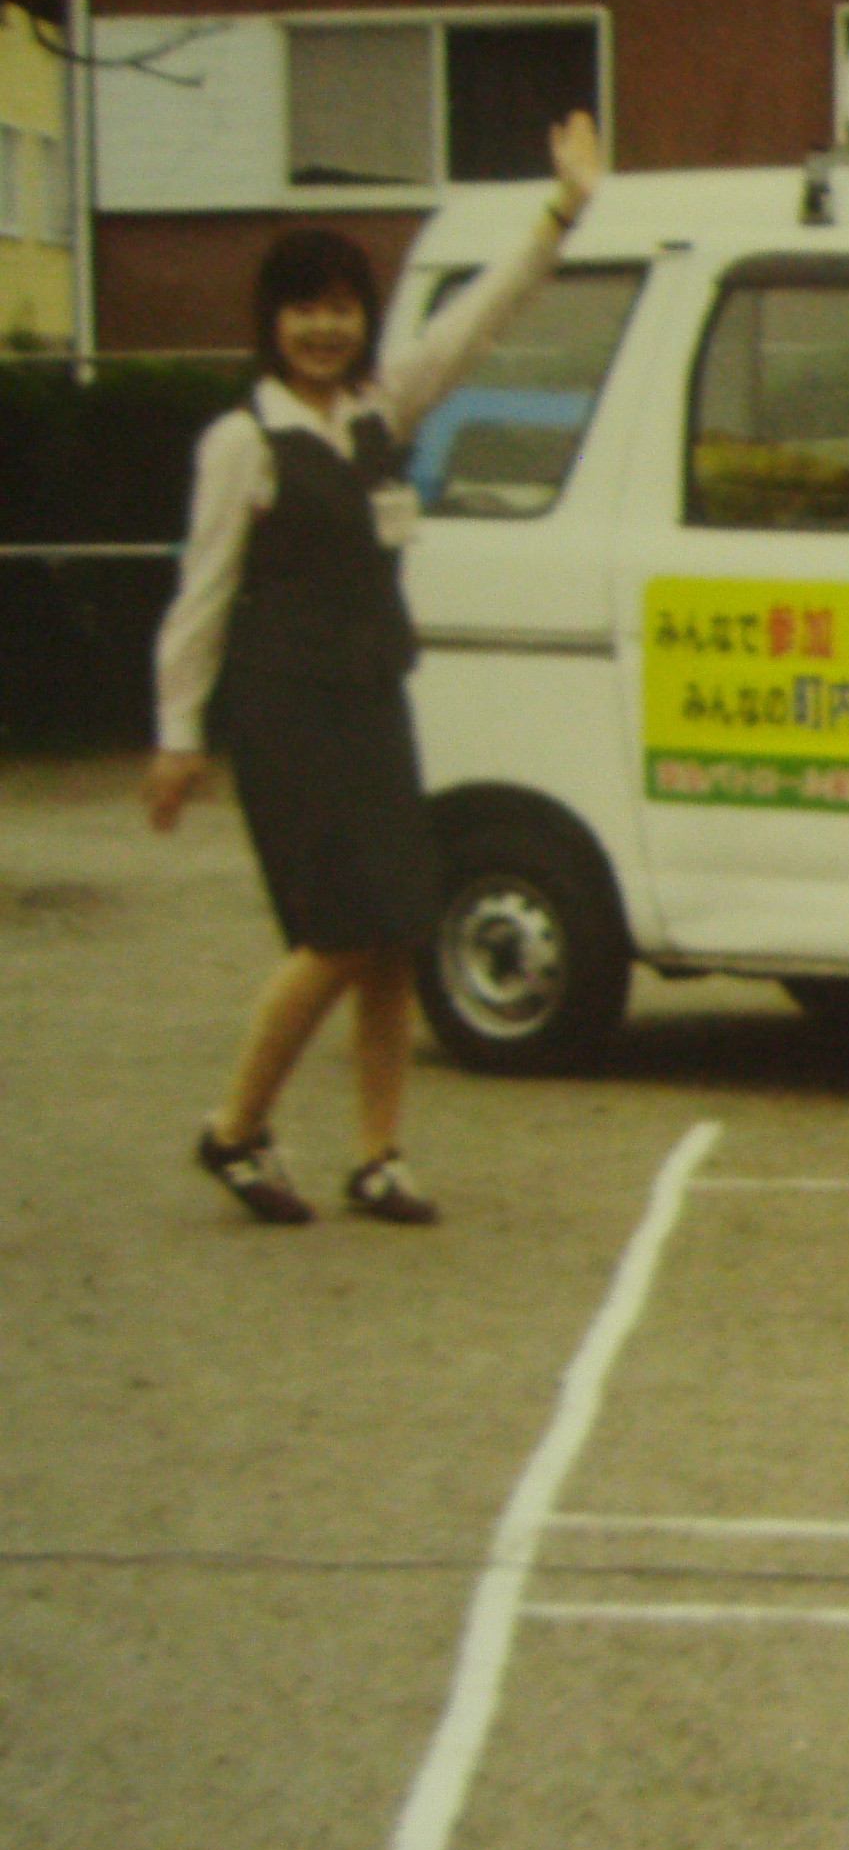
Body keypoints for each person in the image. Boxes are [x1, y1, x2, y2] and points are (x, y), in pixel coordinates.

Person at [148, 112, 607, 1226]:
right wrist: (177, 733)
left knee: (398, 926)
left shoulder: (377, 410)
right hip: (283, 707)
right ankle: (234, 1130)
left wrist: (562, 213)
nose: (323, 327)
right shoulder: (242, 444)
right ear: (271, 322)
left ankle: (377, 1154)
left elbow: (477, 324)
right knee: (339, 931)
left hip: (370, 695)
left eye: (342, 308)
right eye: (303, 308)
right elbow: (200, 596)